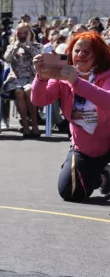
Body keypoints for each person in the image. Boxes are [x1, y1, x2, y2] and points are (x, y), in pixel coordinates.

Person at [31, 31, 110, 202]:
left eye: (86, 52)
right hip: (84, 147)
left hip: (108, 143)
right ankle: (103, 177)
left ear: (98, 55)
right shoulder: (62, 75)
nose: (80, 55)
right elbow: (39, 100)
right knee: (69, 191)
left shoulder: (107, 74)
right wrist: (41, 77)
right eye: (76, 51)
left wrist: (77, 83)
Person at [2, 22, 43, 138]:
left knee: (28, 91)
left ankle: (35, 125)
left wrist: (27, 45)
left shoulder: (37, 46)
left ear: (30, 33)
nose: (22, 35)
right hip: (16, 78)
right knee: (19, 92)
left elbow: (38, 57)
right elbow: (7, 60)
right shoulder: (11, 46)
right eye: (20, 33)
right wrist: (15, 48)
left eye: (25, 32)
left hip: (31, 77)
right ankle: (25, 126)